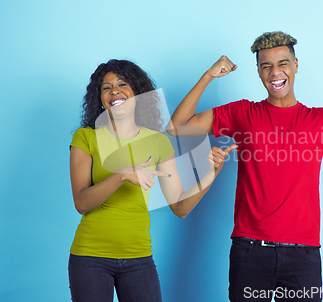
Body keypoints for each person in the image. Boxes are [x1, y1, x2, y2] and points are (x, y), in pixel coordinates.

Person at [168, 31, 323, 301]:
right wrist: (208, 76)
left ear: (296, 65)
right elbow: (177, 128)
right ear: (258, 71)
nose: (275, 72)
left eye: (283, 63)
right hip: (250, 250)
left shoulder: (321, 120)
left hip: (303, 255)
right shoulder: (242, 113)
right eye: (266, 65)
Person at [68, 59, 236, 302]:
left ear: (138, 92)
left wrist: (211, 174)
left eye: (122, 84)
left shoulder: (158, 142)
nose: (114, 90)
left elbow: (180, 207)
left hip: (138, 259)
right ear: (101, 99)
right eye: (106, 87)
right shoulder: (85, 137)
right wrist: (122, 174)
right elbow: (82, 202)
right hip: (90, 258)